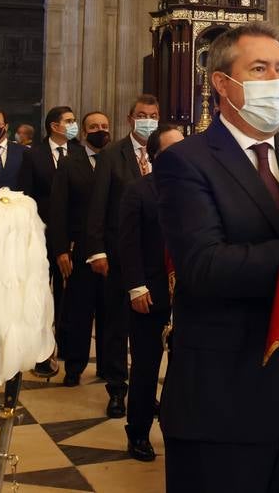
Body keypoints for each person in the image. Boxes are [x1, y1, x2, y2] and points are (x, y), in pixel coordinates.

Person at [154, 23, 279, 492]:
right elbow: (204, 267)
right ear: (223, 83)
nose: (275, 81)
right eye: (259, 69)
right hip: (225, 394)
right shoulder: (187, 161)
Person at [85, 94, 160, 418]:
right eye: (142, 114)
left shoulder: (166, 153)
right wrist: (97, 249)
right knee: (116, 325)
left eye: (153, 115)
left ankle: (145, 392)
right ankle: (117, 389)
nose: (148, 120)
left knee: (149, 330)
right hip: (118, 253)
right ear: (131, 118)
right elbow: (98, 206)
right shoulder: (112, 156)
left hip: (155, 254)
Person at [119, 122, 181, 462]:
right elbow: (127, 244)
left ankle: (177, 428)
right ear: (155, 156)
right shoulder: (139, 191)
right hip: (150, 293)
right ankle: (138, 432)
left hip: (186, 296)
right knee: (145, 367)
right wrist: (136, 287)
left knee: (183, 368)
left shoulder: (194, 189)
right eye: (172, 150)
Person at [17, 105, 76, 376]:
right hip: (40, 232)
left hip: (70, 234)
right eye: (69, 121)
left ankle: (63, 343)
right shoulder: (33, 155)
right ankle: (39, 349)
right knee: (39, 291)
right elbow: (26, 194)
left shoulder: (77, 153)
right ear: (54, 126)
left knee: (67, 293)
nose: (72, 125)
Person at [52, 110, 109, 386]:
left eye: (105, 126)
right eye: (94, 126)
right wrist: (61, 248)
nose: (101, 130)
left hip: (111, 249)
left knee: (111, 312)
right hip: (79, 246)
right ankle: (74, 366)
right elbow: (59, 207)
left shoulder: (115, 159)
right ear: (84, 132)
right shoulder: (69, 162)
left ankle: (109, 368)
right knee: (79, 311)